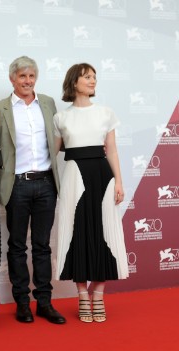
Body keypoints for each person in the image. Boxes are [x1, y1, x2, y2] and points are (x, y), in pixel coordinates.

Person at [0, 56, 66, 325]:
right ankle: (22, 302)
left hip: (46, 183)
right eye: (22, 76)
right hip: (16, 185)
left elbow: (59, 138)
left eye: (31, 76)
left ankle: (44, 302)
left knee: (42, 246)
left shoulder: (47, 103)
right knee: (17, 245)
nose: (27, 81)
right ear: (12, 79)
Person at [53, 63, 129, 323]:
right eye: (87, 77)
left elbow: (113, 150)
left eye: (94, 77)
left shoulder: (106, 113)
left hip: (102, 176)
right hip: (74, 176)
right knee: (77, 232)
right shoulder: (61, 118)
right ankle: (82, 295)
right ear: (74, 82)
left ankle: (98, 294)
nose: (92, 81)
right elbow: (51, 152)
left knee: (103, 231)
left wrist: (119, 181)